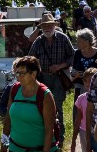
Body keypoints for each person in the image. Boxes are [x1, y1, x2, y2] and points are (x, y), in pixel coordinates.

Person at [27, 13, 74, 145]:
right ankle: (46, 137)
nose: (47, 28)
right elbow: (31, 58)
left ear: (54, 25)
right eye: (44, 25)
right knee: (42, 108)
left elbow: (72, 56)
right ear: (41, 27)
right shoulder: (39, 40)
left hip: (59, 78)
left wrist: (60, 66)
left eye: (49, 25)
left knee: (57, 107)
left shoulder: (63, 38)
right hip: (43, 78)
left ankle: (60, 138)